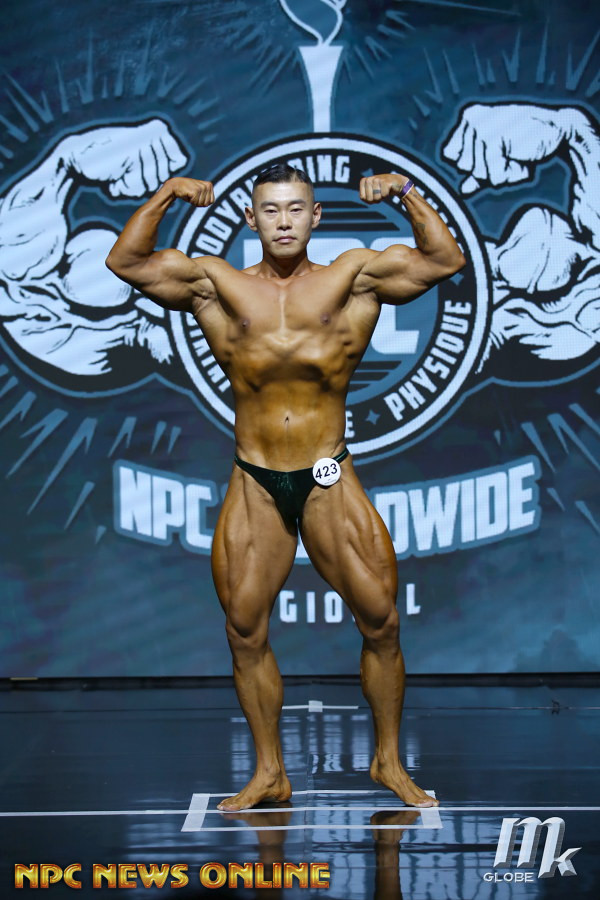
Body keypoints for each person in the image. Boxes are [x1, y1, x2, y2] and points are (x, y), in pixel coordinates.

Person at [106, 162, 465, 810]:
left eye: (296, 208)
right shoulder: (217, 286)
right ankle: (270, 771)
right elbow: (126, 263)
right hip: (256, 477)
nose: (283, 221)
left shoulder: (352, 277)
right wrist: (166, 195)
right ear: (251, 219)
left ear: (315, 216)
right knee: (244, 629)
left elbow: (444, 260)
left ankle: (388, 759)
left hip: (326, 471)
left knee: (381, 620)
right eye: (270, 210)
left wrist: (406, 192)